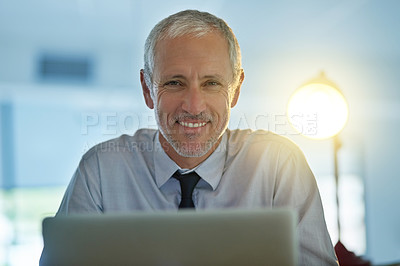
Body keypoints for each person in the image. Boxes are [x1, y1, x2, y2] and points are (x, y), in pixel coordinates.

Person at [54, 9, 338, 265]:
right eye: (174, 83)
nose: (193, 106)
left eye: (211, 83)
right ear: (147, 89)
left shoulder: (278, 166)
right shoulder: (100, 172)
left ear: (235, 90)